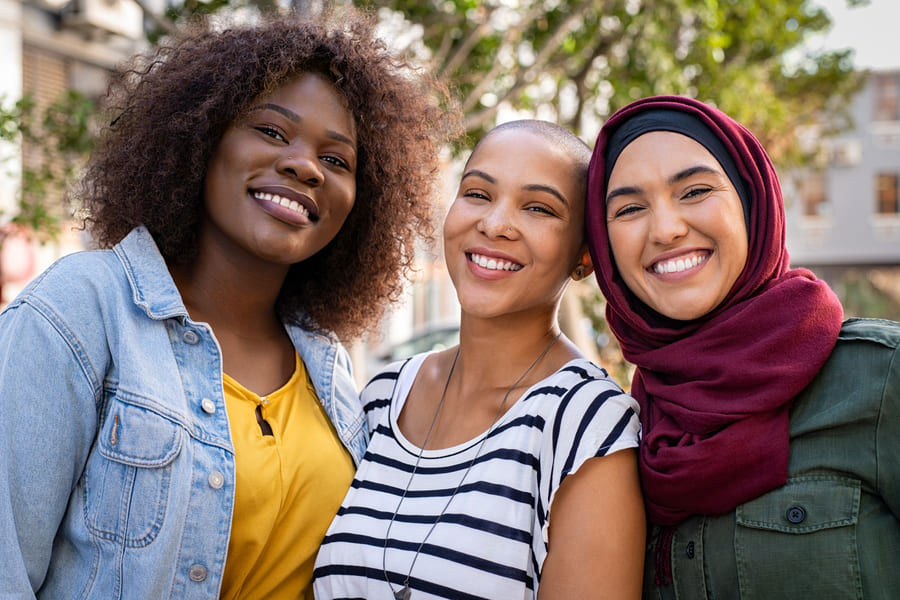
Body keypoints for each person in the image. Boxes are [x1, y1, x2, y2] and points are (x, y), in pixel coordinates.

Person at [0, 9, 454, 599]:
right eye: (271, 131)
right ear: (202, 137)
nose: (303, 165)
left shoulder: (329, 367)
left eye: (336, 160)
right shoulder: (82, 311)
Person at [313, 120, 645, 600]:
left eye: (538, 208)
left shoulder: (587, 423)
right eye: (477, 193)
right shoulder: (384, 395)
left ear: (586, 256)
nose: (494, 223)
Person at [585, 95, 900, 599]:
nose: (665, 228)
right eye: (629, 208)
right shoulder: (617, 434)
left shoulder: (881, 380)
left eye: (695, 190)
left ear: (753, 202)